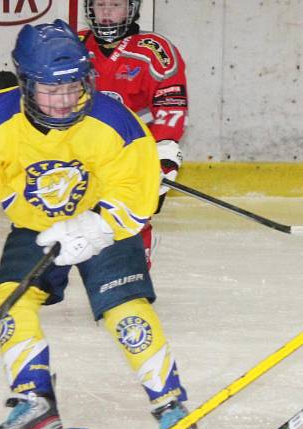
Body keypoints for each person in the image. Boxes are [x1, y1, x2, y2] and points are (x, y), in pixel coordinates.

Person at [0, 20, 205, 429]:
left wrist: (96, 228)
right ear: (24, 83)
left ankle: (171, 406)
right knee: (8, 303)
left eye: (72, 87)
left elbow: (137, 197)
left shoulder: (115, 121)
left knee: (124, 309)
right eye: (48, 89)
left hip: (103, 227)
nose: (62, 101)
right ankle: (35, 407)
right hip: (36, 228)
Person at [80, 0, 188, 267]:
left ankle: (136, 259)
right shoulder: (73, 46)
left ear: (132, 9)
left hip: (131, 154)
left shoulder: (154, 51)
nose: (105, 12)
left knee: (126, 220)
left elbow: (170, 109)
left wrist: (163, 154)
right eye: (99, 5)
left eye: (115, 4)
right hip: (79, 153)